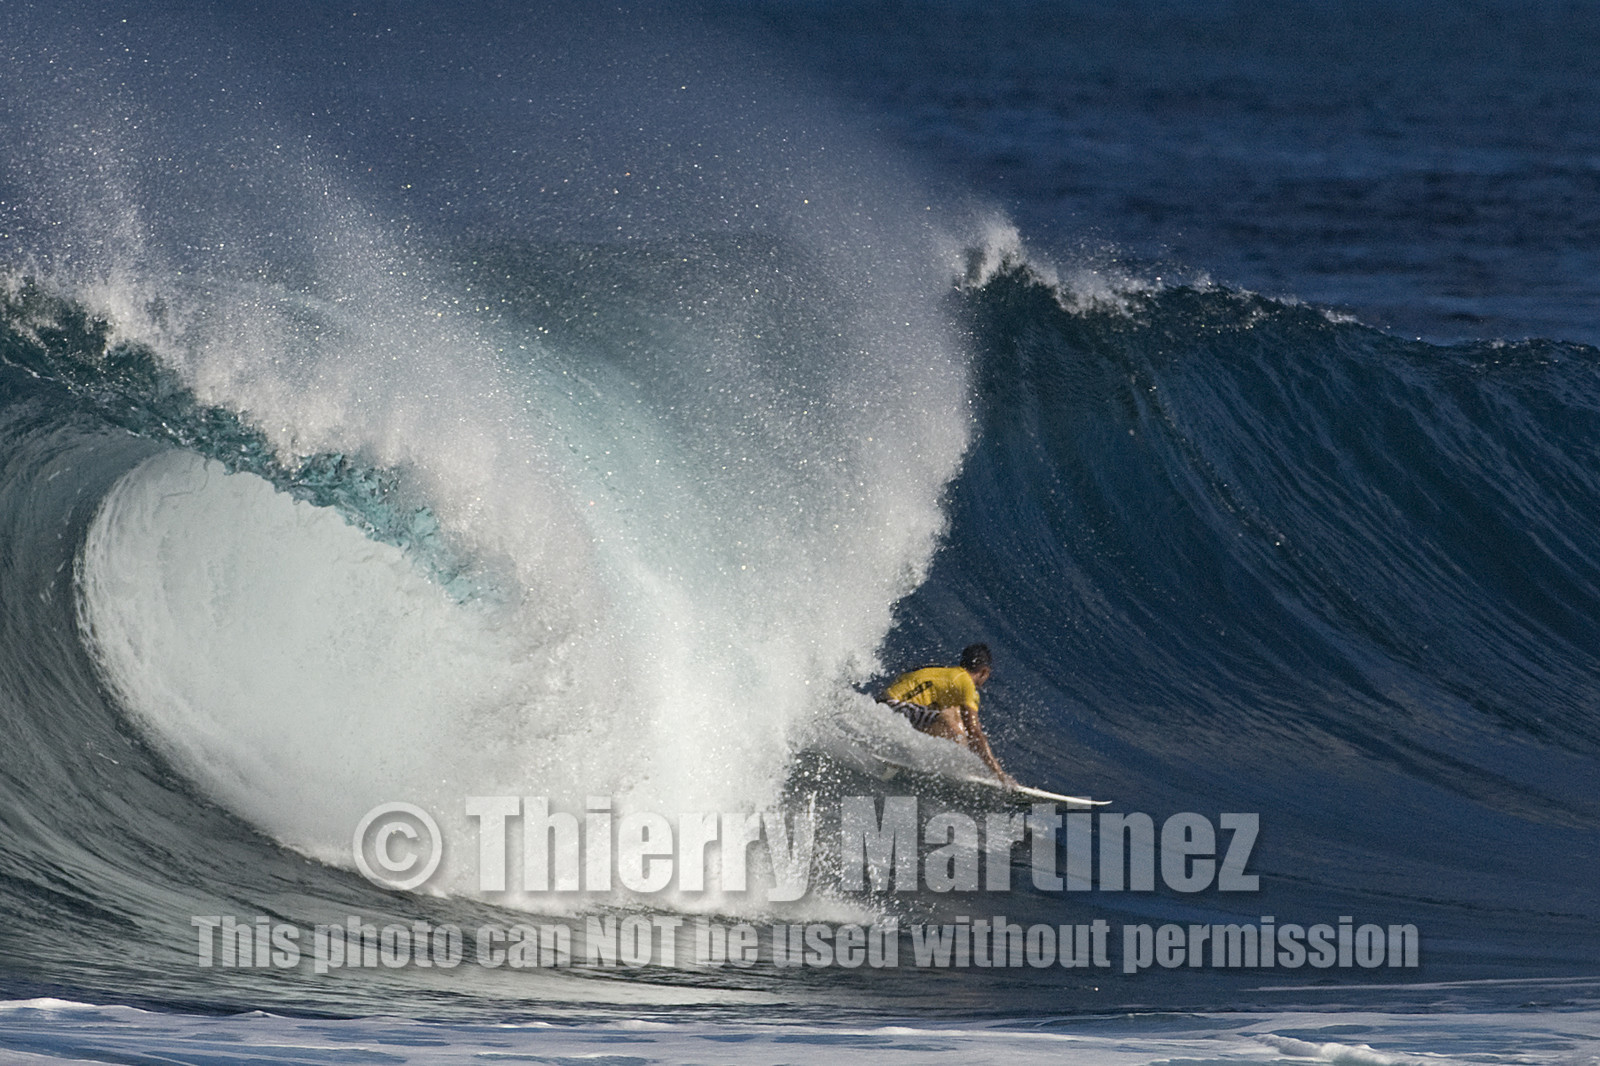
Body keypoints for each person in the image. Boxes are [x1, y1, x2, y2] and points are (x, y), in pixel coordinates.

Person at [878, 643, 1015, 786]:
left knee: (954, 714)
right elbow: (974, 731)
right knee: (954, 726)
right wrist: (998, 773)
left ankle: (960, 767)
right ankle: (955, 766)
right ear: (984, 671)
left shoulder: (949, 675)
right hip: (893, 706)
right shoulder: (966, 683)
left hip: (884, 706)